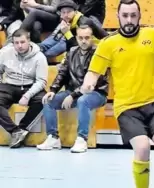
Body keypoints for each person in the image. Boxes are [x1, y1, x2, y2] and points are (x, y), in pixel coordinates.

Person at [80, 0, 154, 188]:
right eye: (125, 15)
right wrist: (88, 83)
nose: (129, 20)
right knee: (143, 148)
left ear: (139, 16)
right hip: (127, 107)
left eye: (133, 15)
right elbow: (94, 71)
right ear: (118, 16)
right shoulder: (108, 43)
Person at [37, 25, 108, 153]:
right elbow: (62, 74)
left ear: (92, 38)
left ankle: (82, 139)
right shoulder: (71, 52)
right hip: (73, 91)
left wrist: (73, 95)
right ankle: (53, 137)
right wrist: (52, 90)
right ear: (76, 38)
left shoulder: (98, 53)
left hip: (96, 93)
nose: (84, 41)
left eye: (87, 37)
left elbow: (93, 84)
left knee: (83, 101)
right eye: (80, 38)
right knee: (48, 100)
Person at [0, 29, 48, 148]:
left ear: (29, 41)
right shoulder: (5, 52)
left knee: (42, 99)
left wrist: (28, 95)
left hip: (29, 86)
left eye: (22, 42)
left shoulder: (39, 57)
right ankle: (15, 131)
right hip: (9, 84)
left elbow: (41, 81)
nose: (19, 46)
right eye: (16, 43)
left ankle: (22, 128)